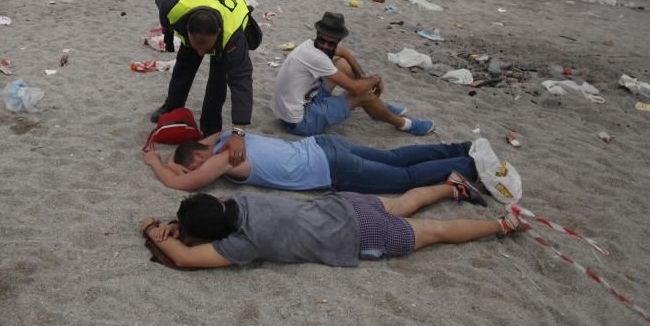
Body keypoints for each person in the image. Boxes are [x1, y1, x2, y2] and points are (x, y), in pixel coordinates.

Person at [139, 184, 520, 269]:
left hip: (359, 236)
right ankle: (452, 185)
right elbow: (206, 209)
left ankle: (502, 225)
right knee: (405, 202)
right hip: (345, 205)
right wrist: (177, 223)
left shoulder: (242, 243)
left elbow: (185, 259)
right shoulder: (239, 202)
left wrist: (153, 229)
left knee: (436, 233)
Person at [144, 128, 480, 195]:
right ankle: (458, 148)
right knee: (392, 157)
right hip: (320, 145)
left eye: (194, 166)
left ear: (199, 160)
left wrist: (156, 163)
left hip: (329, 168)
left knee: (403, 179)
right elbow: (193, 150)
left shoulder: (223, 159)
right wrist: (174, 161)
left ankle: (470, 166)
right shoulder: (226, 137)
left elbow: (178, 184)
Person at [150, 0, 258, 164]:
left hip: (229, 10)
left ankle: (210, 127)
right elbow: (164, 5)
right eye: (197, 46)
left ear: (217, 33)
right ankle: (172, 106)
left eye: (206, 48)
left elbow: (241, 81)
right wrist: (168, 32)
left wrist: (239, 132)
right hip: (197, 6)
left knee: (218, 80)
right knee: (185, 63)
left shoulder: (233, 37)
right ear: (187, 30)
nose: (201, 52)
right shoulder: (171, 2)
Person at [274, 12, 435, 136]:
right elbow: (356, 89)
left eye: (330, 43)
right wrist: (375, 79)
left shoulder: (310, 46)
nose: (324, 45)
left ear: (337, 40)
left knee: (343, 66)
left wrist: (363, 76)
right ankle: (404, 124)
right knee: (363, 94)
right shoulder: (316, 56)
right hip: (299, 122)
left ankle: (376, 107)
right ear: (317, 34)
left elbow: (344, 53)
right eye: (322, 40)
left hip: (298, 105)